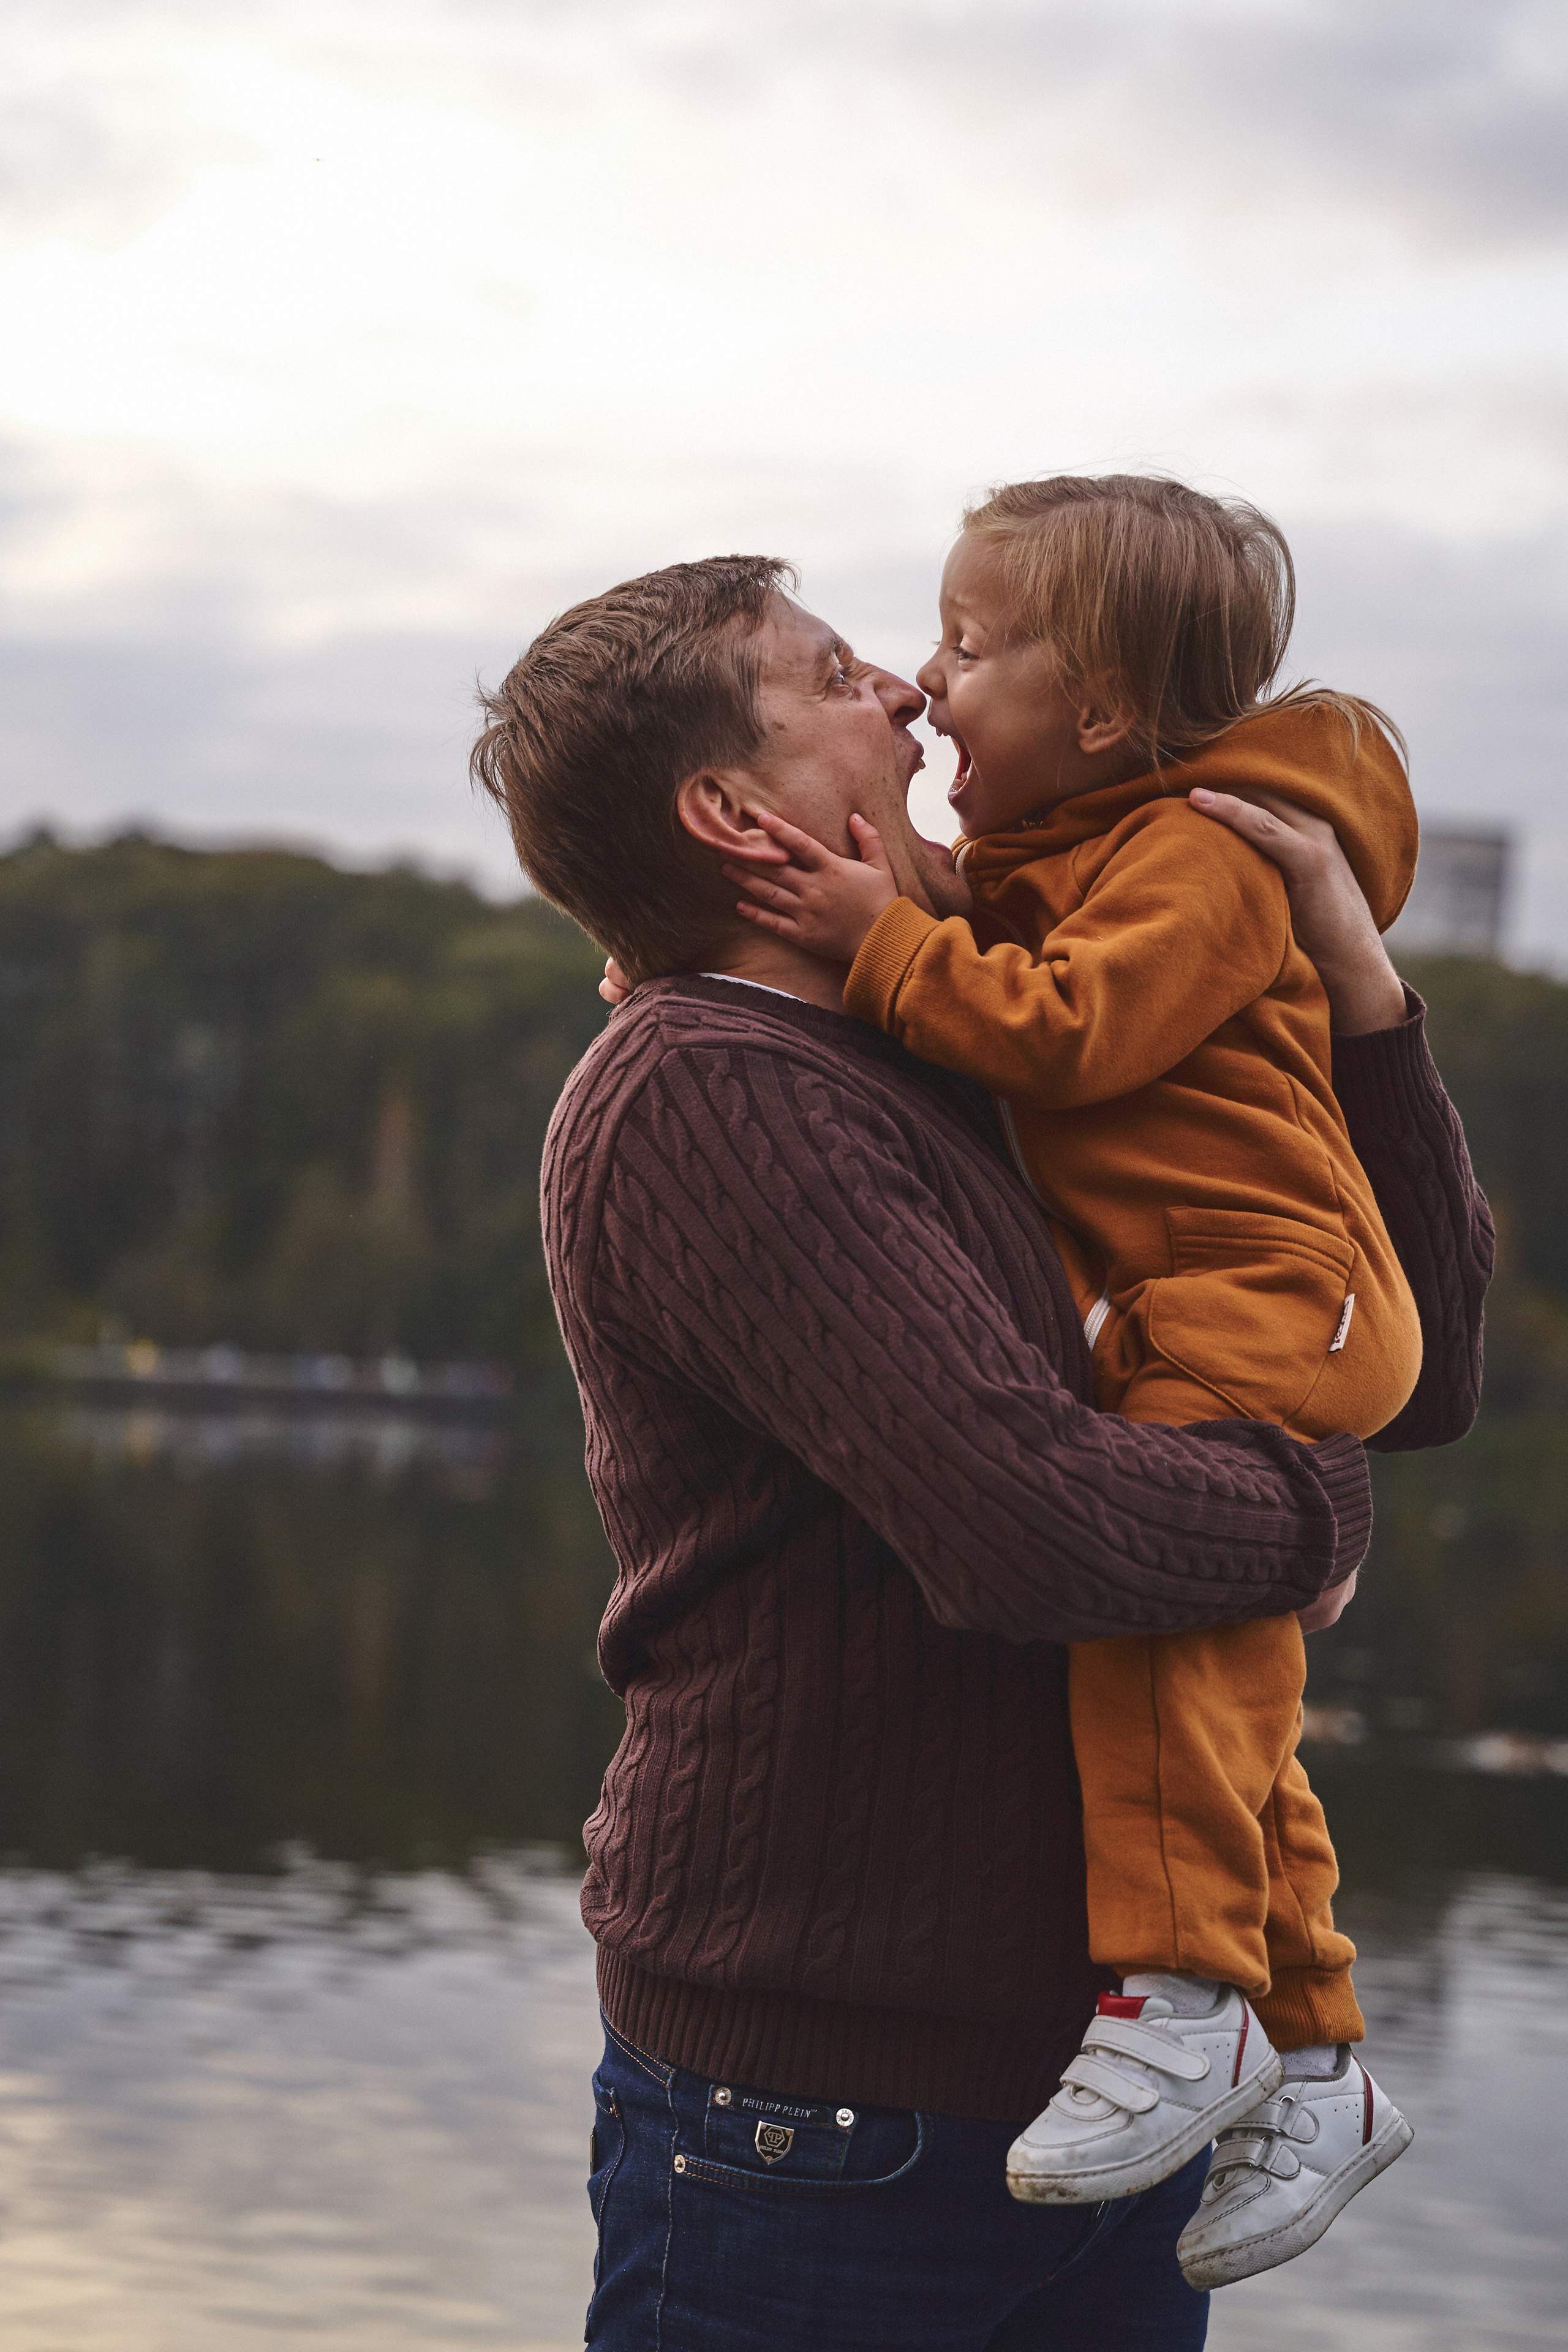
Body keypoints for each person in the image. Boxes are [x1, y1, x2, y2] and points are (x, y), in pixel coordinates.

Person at [470, 554, 1491, 2351]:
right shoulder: (710, 1088)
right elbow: (1027, 1524)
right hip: (827, 2131)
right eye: (835, 674)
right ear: (732, 810)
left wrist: (1355, 983)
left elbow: (1411, 1367)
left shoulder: (978, 1043)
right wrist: (1307, 1508)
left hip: (1103, 2094)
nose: (911, 697)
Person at [713, 477, 1436, 2290]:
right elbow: (994, 931)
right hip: (1209, 1301)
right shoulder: (1091, 845)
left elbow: (1058, 1024)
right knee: (1220, 1666)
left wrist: (879, 933)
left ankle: (1186, 1995)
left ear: (1103, 712)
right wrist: (749, 927)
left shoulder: (1193, 855)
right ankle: (1321, 2047)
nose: (926, 684)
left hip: (1268, 1298)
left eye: (966, 647)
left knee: (1155, 1624)